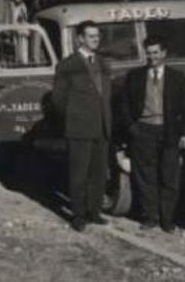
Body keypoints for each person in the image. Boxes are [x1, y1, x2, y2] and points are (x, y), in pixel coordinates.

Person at [119, 35, 185, 232]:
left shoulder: (177, 77)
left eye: (156, 53)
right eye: (148, 53)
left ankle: (167, 219)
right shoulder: (135, 76)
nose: (152, 57)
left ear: (164, 53)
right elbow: (124, 105)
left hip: (169, 131)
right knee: (145, 176)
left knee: (170, 177)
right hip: (144, 131)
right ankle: (150, 216)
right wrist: (132, 128)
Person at [51, 20, 113, 232]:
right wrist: (75, 119)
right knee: (79, 174)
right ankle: (78, 215)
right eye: (91, 36)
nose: (96, 39)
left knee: (98, 173)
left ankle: (93, 212)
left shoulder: (103, 63)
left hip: (101, 127)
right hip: (79, 129)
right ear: (80, 39)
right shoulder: (68, 65)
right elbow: (58, 100)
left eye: (97, 35)